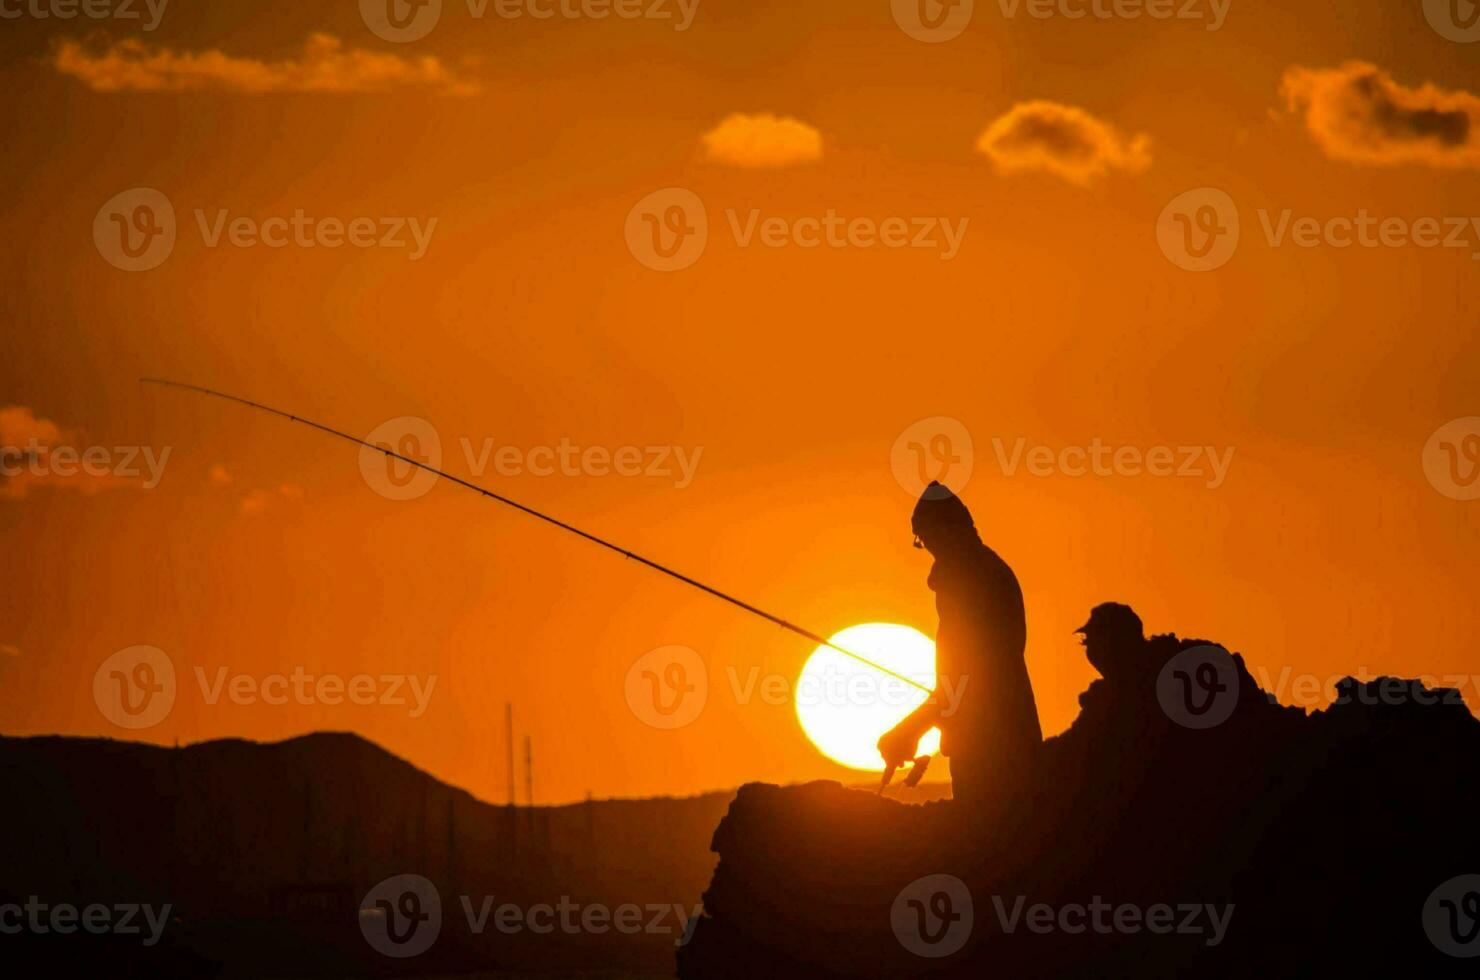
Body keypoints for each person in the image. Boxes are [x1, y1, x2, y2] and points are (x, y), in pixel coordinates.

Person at [877, 482, 1042, 808]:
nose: (928, 549)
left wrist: (909, 729)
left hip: (992, 748)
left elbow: (972, 678)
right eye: (922, 541)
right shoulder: (985, 572)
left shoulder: (973, 581)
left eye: (927, 539)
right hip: (996, 740)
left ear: (949, 531)